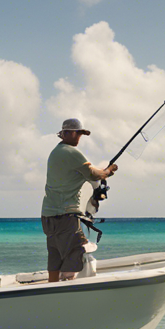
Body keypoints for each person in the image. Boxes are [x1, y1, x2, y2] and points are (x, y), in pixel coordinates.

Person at [41, 118, 117, 282]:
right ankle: (69, 285)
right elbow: (94, 174)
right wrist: (109, 170)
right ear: (67, 133)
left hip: (48, 215)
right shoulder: (71, 152)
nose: (79, 138)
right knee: (78, 249)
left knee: (55, 253)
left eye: (81, 134)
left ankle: (52, 286)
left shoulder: (56, 152)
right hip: (66, 215)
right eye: (78, 133)